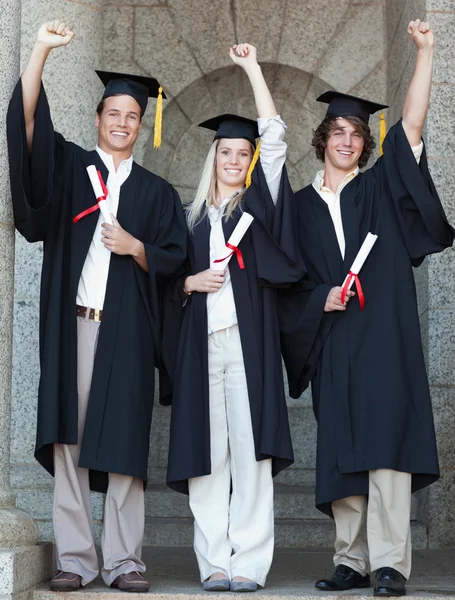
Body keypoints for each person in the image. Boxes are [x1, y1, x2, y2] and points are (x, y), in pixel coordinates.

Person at [7, 20, 187, 593]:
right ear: (98, 119)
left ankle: (125, 561)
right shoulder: (71, 169)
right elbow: (28, 125)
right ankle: (78, 560)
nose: (122, 122)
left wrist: (136, 247)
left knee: (127, 444)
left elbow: (177, 259)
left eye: (132, 116)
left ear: (141, 125)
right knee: (70, 442)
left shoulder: (157, 193)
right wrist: (41, 51)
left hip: (129, 331)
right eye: (113, 113)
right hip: (76, 327)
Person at [279, 19, 454, 597]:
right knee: (343, 445)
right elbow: (288, 278)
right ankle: (350, 561)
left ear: (365, 142)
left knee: (385, 442)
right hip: (333, 338)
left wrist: (426, 53)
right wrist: (317, 299)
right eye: (339, 132)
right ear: (322, 138)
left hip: (381, 334)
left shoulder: (378, 187)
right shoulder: (300, 206)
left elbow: (412, 125)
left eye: (357, 132)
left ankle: (389, 564)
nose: (348, 141)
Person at [161, 43, 304, 592]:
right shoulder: (191, 219)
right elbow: (167, 284)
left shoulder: (258, 212)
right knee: (208, 460)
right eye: (227, 153)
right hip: (204, 348)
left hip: (250, 349)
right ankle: (214, 563)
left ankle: (248, 564)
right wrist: (192, 282)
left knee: (250, 459)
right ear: (213, 157)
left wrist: (250, 69)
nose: (236, 160)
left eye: (242, 155)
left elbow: (275, 142)